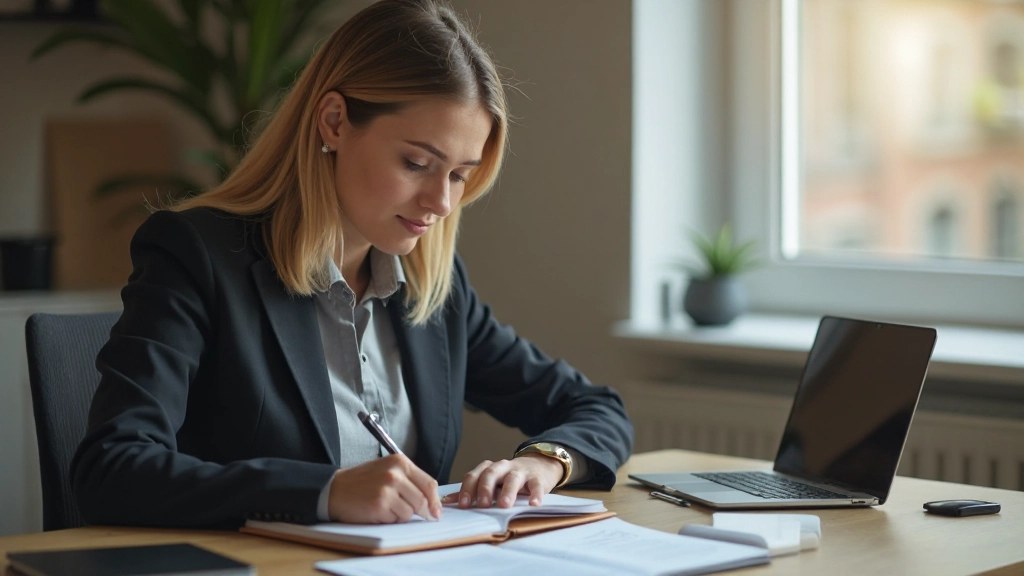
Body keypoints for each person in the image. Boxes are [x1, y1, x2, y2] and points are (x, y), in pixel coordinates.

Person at [70, 0, 633, 528]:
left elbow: (595, 407)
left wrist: (544, 461)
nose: (442, 202)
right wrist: (324, 491)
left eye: (460, 175)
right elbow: (112, 468)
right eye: (417, 162)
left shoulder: (431, 290)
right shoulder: (196, 256)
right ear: (334, 122)